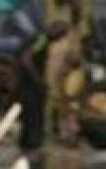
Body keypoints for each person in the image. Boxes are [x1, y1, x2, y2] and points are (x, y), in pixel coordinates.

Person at [17, 19, 70, 153]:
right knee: (33, 120)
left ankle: (28, 149)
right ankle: (31, 149)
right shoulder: (42, 39)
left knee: (30, 121)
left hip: (29, 86)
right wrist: (38, 81)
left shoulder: (41, 38)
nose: (58, 40)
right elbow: (26, 59)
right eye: (60, 35)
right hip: (30, 87)